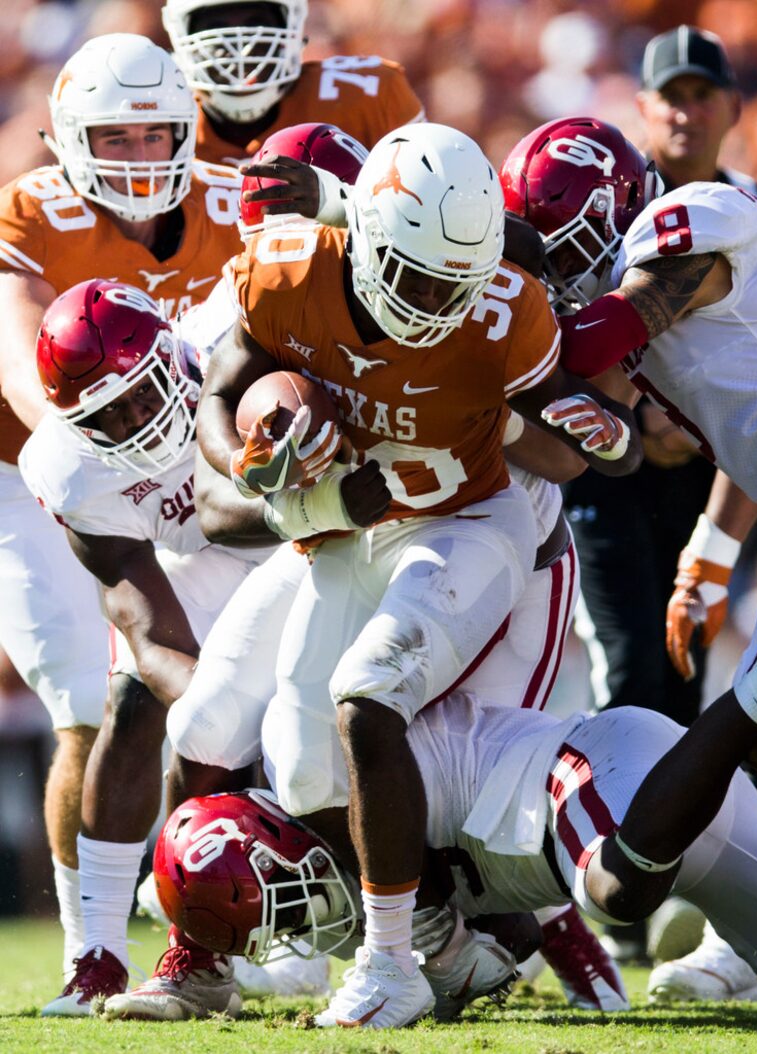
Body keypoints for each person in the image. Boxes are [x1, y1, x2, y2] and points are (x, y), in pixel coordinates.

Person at [194, 120, 642, 1028]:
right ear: (361, 239)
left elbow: (584, 446)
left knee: (370, 693)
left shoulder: (504, 310)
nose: (438, 299)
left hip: (468, 520)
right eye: (418, 275)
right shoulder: (287, 271)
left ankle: (391, 962)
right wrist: (253, 462)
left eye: (455, 279)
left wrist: (608, 438)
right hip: (357, 532)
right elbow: (216, 396)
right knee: (303, 765)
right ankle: (443, 946)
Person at [499, 112, 757, 990]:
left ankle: (645, 865)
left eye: (569, 250)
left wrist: (505, 270)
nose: (566, 275)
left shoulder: (696, 219)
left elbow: (588, 345)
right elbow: (594, 423)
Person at [154, 605, 757, 1026]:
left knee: (616, 892)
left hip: (594, 771)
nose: (308, 923)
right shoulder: (359, 882)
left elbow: (433, 876)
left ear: (279, 835)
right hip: (644, 810)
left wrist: (439, 947)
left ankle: (756, 698)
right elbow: (514, 935)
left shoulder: (323, 775)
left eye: (292, 905)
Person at [0, 32, 243, 994]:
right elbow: (23, 371)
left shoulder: (232, 201)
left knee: (190, 693)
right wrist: (96, 449)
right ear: (68, 138)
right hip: (43, 469)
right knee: (79, 704)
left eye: (156, 134)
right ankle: (89, 954)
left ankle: (213, 929)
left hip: (193, 465)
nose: (142, 157)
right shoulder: (33, 209)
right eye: (117, 137)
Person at [558, 24, 757, 967]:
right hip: (608, 479)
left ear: (732, 106)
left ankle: (658, 886)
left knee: (690, 682)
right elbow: (564, 326)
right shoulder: (607, 199)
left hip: (704, 480)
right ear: (643, 107)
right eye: (669, 95)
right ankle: (601, 893)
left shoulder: (755, 206)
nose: (685, 111)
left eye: (701, 93)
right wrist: (626, 410)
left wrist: (702, 424)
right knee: (631, 673)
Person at [161, 0, 424, 166]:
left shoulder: (368, 95)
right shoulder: (159, 127)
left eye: (257, 24)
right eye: (215, 28)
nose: (241, 51)